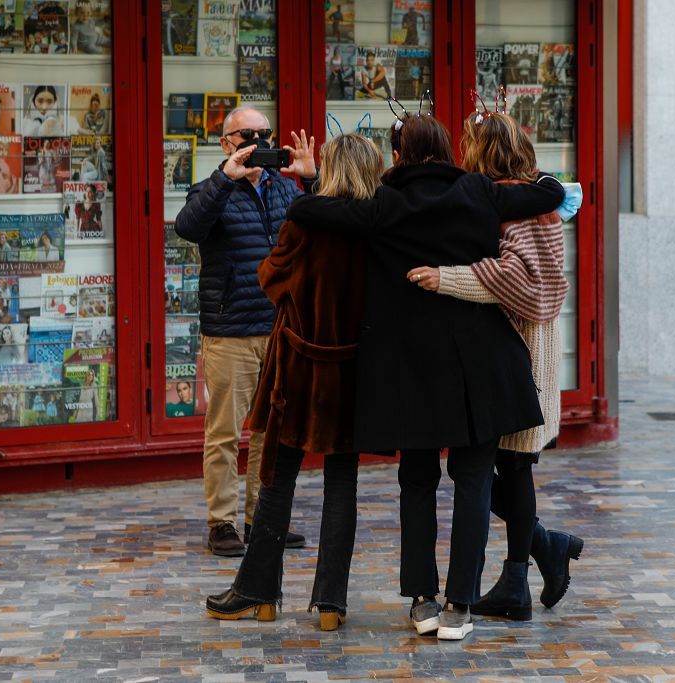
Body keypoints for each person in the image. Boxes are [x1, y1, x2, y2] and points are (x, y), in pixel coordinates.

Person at [287, 114, 565, 641]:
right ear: (446, 150)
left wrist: (309, 176)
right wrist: (531, 173)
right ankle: (462, 603)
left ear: (399, 156)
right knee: (474, 480)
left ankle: (423, 600)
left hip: (408, 369)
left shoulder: (382, 205)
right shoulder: (481, 191)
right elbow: (549, 192)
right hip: (480, 362)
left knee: (417, 482)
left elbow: (308, 209)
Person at [407, 110, 584, 621]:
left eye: (469, 144)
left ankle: (520, 577)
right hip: (525, 348)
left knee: (502, 469)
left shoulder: (517, 208)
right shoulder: (529, 197)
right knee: (502, 469)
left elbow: (521, 283)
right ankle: (539, 556)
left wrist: (447, 278)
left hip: (521, 350)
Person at [205, 133, 377, 631]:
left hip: (298, 370)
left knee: (277, 477)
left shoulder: (305, 220)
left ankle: (258, 591)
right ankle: (331, 603)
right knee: (343, 483)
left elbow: (271, 277)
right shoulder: (377, 226)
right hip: (352, 372)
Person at [174, 106, 317, 557]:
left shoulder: (284, 189)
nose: (257, 141)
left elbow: (323, 226)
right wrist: (225, 178)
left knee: (269, 432)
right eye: (246, 134)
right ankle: (222, 523)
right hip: (230, 330)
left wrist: (311, 180)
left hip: (277, 329)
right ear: (226, 143)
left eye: (264, 133)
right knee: (224, 432)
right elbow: (188, 227)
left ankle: (262, 518)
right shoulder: (212, 189)